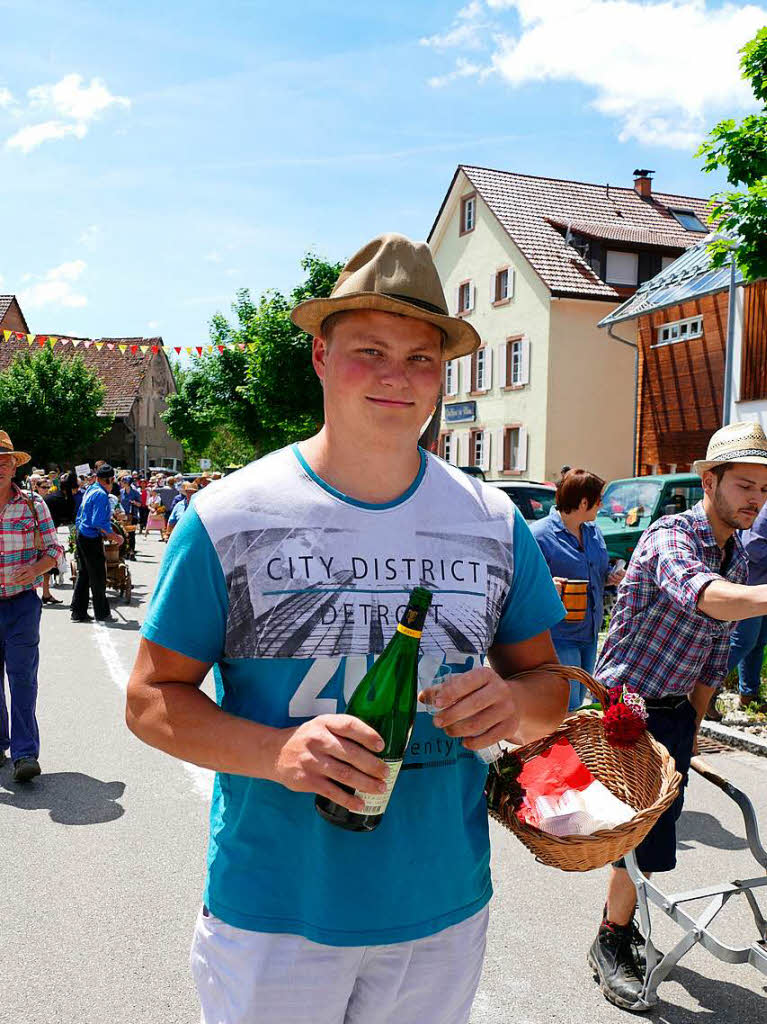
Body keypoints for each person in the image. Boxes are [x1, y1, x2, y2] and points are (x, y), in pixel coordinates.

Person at [126, 232, 569, 1024]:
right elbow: (153, 697)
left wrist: (513, 702)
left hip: (442, 907)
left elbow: (548, 691)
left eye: (421, 357)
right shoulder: (228, 514)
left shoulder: (495, 520)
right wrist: (276, 751)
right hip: (275, 914)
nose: (398, 376)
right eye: (370, 349)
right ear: (321, 358)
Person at [589, 421, 767, 1012]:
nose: (754, 500)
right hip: (626, 708)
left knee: (658, 838)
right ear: (708, 479)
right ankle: (612, 941)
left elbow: (716, 651)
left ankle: (619, 925)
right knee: (638, 835)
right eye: (744, 485)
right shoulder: (673, 533)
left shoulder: (738, 553)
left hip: (672, 713)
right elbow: (703, 595)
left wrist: (693, 722)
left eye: (763, 491)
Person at [531, 469, 624, 710]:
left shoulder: (593, 531)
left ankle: (567, 747)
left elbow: (596, 573)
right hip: (560, 635)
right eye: (598, 499)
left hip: (590, 632)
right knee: (568, 706)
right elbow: (523, 581)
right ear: (584, 502)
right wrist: (548, 585)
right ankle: (561, 748)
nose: (602, 505)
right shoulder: (540, 535)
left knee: (579, 701)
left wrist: (610, 577)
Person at [0, 431, 64, 782]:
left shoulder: (32, 504)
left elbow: (54, 551)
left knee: (22, 677)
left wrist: (36, 569)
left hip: (22, 603)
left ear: (14, 466)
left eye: (4, 460)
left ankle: (25, 754)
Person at [727, 498, 767, 711]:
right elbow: (753, 547)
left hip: (763, 588)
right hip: (751, 587)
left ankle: (748, 695)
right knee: (742, 642)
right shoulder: (766, 511)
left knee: (758, 643)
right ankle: (704, 693)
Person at [70, 464, 122, 623]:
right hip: (90, 538)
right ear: (110, 479)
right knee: (98, 576)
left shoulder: (92, 489)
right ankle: (102, 613)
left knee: (84, 574)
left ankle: (78, 612)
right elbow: (99, 522)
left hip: (82, 534)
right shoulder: (101, 494)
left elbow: (82, 514)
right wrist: (115, 537)